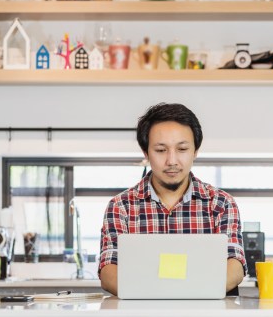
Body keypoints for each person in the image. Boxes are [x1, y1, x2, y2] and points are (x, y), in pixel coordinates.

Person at [98, 103, 247, 296]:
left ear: (195, 151)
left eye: (182, 149)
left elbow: (234, 267)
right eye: (161, 150)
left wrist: (179, 294)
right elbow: (109, 272)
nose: (172, 161)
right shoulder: (121, 206)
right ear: (146, 152)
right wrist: (167, 295)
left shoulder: (220, 203)